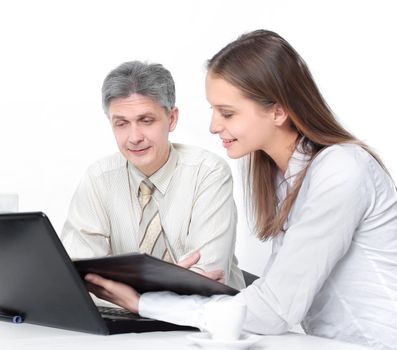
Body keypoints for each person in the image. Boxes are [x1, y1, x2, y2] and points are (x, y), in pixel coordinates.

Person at [83, 30, 397, 349]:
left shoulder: (341, 170)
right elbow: (277, 294)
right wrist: (200, 290)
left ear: (277, 110)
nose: (214, 126)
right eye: (214, 111)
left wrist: (146, 302)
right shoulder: (282, 177)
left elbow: (274, 310)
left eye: (227, 112)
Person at [61, 60, 245, 290]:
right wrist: (178, 281)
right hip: (124, 319)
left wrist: (121, 289)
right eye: (121, 124)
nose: (134, 137)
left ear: (172, 118)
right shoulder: (99, 178)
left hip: (207, 319)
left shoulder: (208, 173)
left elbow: (206, 278)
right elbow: (79, 274)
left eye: (146, 120)